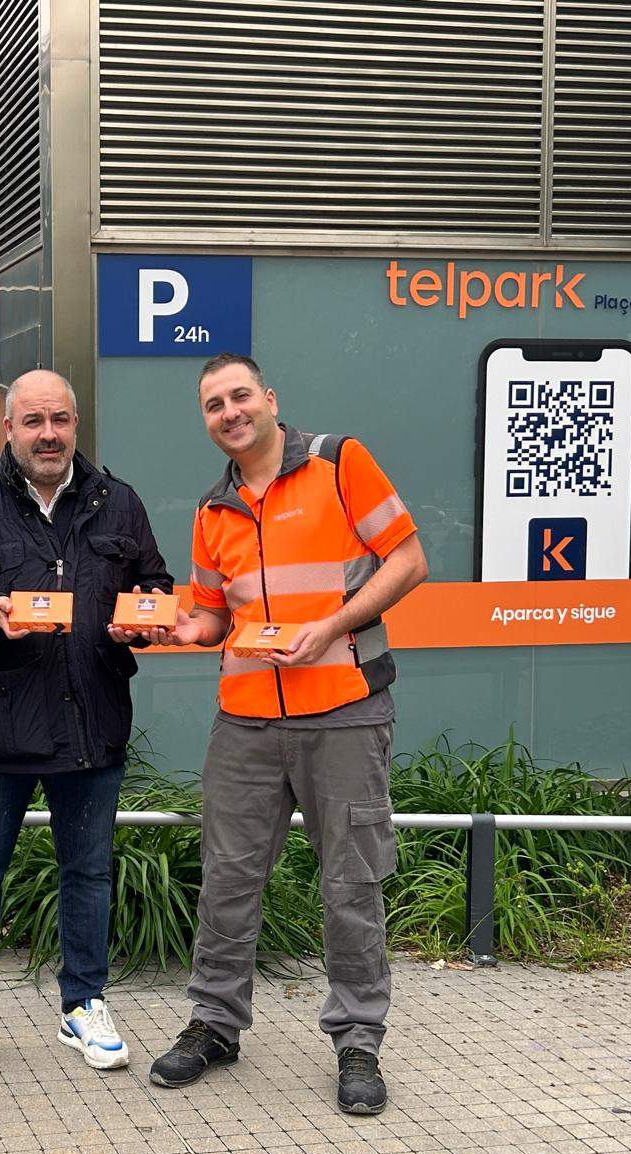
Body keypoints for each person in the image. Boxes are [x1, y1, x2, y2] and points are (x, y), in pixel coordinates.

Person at [147, 352, 428, 1115]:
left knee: (351, 882)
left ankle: (358, 1040)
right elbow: (211, 617)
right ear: (205, 421)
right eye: (213, 404)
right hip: (245, 717)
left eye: (240, 396)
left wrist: (331, 626)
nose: (229, 412)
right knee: (228, 879)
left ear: (269, 398)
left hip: (343, 706)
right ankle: (215, 1024)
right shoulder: (212, 510)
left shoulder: (340, 462)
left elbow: (408, 560)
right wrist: (169, 629)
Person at [0, 368, 171, 1076]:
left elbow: (154, 583)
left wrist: (145, 620)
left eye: (59, 419)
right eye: (33, 421)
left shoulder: (117, 503)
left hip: (91, 723)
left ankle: (83, 1005)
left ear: (75, 425)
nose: (48, 433)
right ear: (9, 429)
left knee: (87, 873)